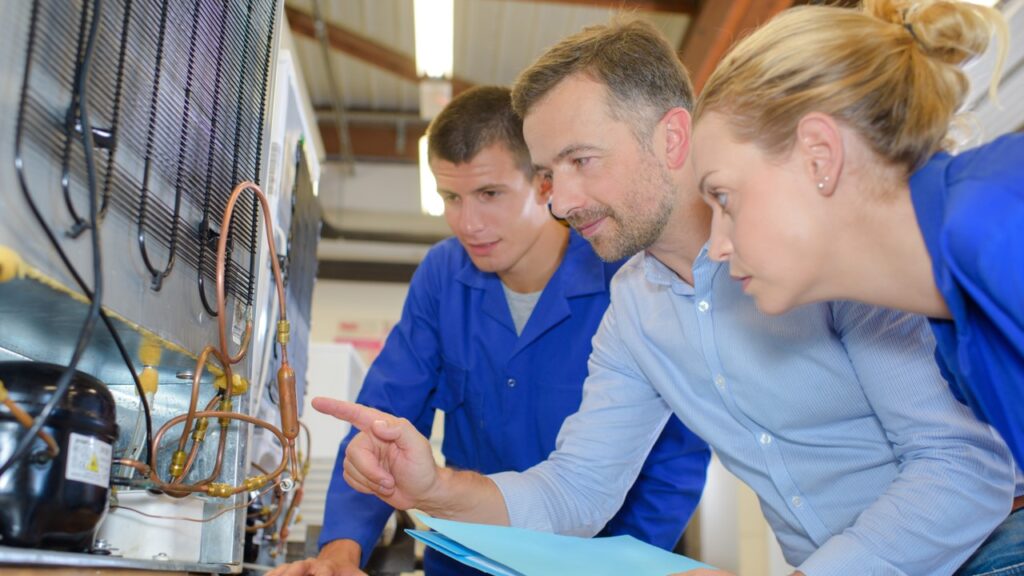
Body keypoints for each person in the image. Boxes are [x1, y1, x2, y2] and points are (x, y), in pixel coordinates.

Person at [312, 20, 1021, 576]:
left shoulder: (819, 253)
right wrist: (432, 486)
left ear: (673, 136)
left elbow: (961, 466)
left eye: (583, 162)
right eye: (550, 174)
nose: (562, 202)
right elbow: (573, 493)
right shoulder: (635, 310)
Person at [268, 86, 710, 576]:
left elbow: (675, 456)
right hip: (465, 561)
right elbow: (382, 424)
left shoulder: (626, 281)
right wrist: (340, 553)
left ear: (545, 185)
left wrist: (620, 565)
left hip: (595, 559)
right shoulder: (441, 278)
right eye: (450, 198)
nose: (468, 223)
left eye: (490, 194)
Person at [691, 1, 1024, 473]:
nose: (717, 246)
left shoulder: (1003, 224)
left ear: (820, 156)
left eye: (723, 199)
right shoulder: (955, 337)